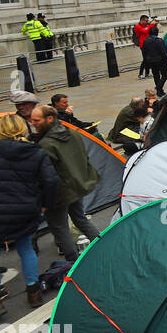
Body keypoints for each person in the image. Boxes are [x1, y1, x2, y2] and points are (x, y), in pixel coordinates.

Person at [0, 115, 60, 314]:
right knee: (26, 249)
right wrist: (45, 204)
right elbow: (52, 181)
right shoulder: (37, 152)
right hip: (25, 209)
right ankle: (33, 291)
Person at [29, 104, 101, 274]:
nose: (33, 123)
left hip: (58, 193)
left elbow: (46, 175)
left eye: (36, 120)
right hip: (76, 186)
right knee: (80, 218)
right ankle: (101, 243)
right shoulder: (71, 132)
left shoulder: (46, 144)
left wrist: (44, 198)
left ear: (49, 119)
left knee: (59, 227)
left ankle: (73, 263)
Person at [141, 26, 167, 96]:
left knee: (156, 75)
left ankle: (160, 91)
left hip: (151, 61)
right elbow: (164, 52)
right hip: (161, 60)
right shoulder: (159, 41)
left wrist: (146, 60)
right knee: (165, 74)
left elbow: (144, 52)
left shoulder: (146, 40)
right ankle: (158, 88)